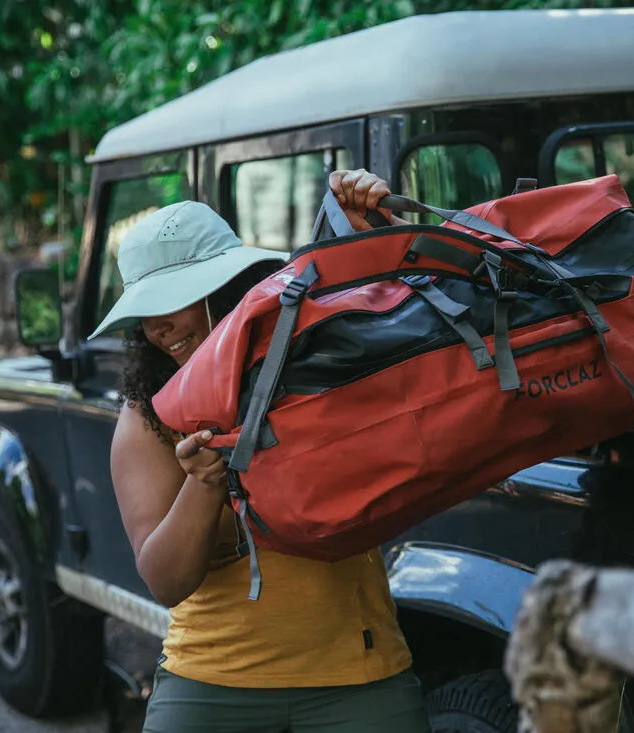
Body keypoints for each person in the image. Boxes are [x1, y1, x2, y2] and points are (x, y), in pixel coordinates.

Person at [89, 169, 431, 733]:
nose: (159, 328)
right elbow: (164, 580)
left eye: (174, 299)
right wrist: (203, 485)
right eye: (145, 312)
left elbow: (400, 324)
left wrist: (373, 231)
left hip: (361, 679)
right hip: (211, 684)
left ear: (230, 287)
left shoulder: (316, 359)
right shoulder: (149, 415)